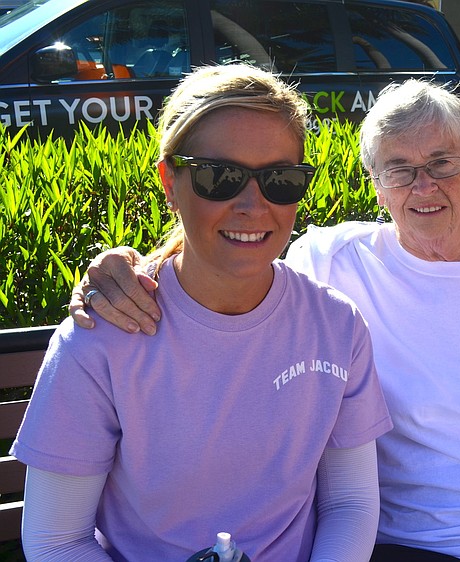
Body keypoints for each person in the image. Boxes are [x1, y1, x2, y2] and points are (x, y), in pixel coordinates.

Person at [68, 80, 460, 561]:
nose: (425, 186)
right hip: (412, 543)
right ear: (375, 184)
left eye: (442, 162)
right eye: (400, 170)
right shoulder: (335, 262)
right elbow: (230, 256)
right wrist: (122, 268)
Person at [12, 63, 392, 561]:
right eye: (221, 177)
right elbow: (56, 541)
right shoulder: (102, 335)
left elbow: (350, 502)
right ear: (170, 181)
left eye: (281, 179)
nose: (254, 206)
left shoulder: (337, 326)